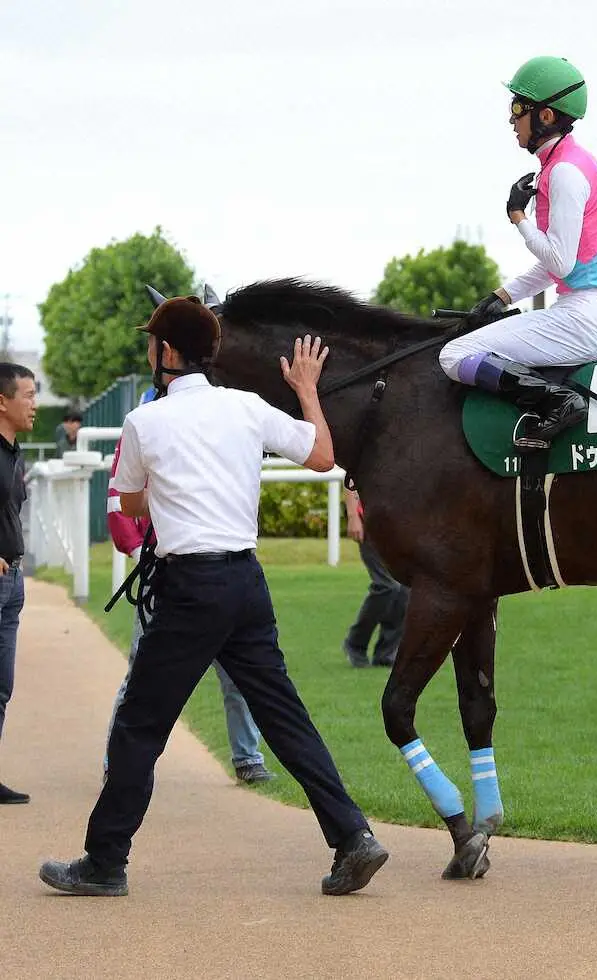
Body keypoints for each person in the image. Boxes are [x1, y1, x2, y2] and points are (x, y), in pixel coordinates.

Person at [39, 295, 387, 896]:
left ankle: (104, 863)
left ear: (167, 352)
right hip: (246, 583)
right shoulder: (248, 408)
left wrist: (170, 492)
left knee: (139, 726)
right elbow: (324, 456)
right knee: (284, 716)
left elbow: (129, 500)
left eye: (152, 344)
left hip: (190, 587)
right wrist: (306, 388)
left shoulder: (146, 422)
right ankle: (353, 837)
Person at [438, 55, 597, 447]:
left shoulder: (565, 173)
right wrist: (500, 297)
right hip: (589, 309)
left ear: (545, 116)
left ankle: (559, 402)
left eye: (517, 108)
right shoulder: (562, 164)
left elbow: (560, 260)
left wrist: (517, 217)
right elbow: (558, 263)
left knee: (453, 356)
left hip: (588, 316)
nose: (511, 119)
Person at [103, 386, 275, 784]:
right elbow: (119, 503)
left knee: (239, 674)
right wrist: (133, 550)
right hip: (163, 571)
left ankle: (248, 757)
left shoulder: (212, 415)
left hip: (219, 569)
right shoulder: (146, 418)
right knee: (140, 674)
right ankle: (118, 760)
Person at [0, 363, 36, 805]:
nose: (34, 404)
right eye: (27, 395)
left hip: (13, 583)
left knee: (1, 688)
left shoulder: (16, 452)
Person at [341, 485, 408, 669]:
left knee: (405, 590)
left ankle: (386, 653)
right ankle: (355, 643)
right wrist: (353, 516)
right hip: (369, 522)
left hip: (397, 526)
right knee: (387, 586)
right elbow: (350, 479)